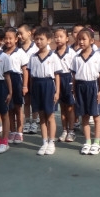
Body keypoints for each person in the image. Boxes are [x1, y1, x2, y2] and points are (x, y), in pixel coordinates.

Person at [70, 28, 100, 155]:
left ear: (91, 41)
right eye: (79, 39)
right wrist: (74, 90)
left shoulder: (98, 57)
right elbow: (74, 76)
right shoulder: (76, 58)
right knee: (84, 116)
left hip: (93, 87)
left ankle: (96, 142)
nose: (81, 42)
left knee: (96, 116)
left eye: (84, 39)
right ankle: (87, 141)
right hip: (80, 87)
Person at [27, 27, 62, 155]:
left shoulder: (53, 56)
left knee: (50, 116)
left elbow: (57, 75)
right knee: (41, 117)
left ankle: (51, 142)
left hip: (48, 85)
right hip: (37, 86)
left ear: (49, 40)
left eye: (41, 39)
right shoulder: (33, 57)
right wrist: (32, 90)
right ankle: (44, 142)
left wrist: (57, 92)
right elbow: (31, 76)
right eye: (36, 39)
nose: (38, 41)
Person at [53, 27, 77, 143]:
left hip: (69, 79)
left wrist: (74, 84)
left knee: (70, 107)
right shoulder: (53, 54)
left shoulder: (72, 53)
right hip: (57, 80)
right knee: (62, 107)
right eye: (56, 37)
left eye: (61, 36)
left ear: (67, 38)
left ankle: (71, 130)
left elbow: (75, 70)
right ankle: (64, 130)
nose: (58, 39)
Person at [18, 24, 39, 134]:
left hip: (34, 77)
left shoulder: (36, 47)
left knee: (34, 100)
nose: (20, 36)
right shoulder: (18, 48)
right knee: (26, 101)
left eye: (21, 33)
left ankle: (34, 122)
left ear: (29, 33)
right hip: (22, 77)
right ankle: (27, 121)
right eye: (18, 34)